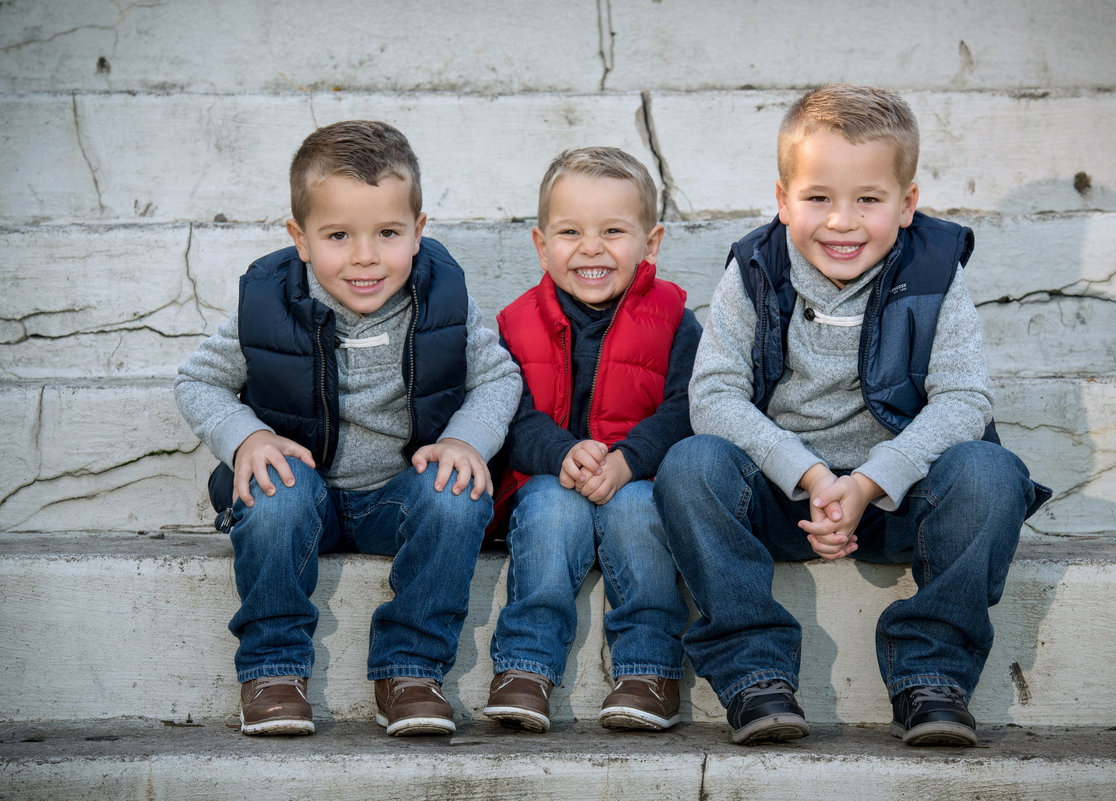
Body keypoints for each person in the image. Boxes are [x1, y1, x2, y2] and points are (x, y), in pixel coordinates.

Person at [653, 85, 1051, 746]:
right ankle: (756, 673)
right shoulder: (754, 271)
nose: (842, 222)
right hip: (783, 499)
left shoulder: (933, 272)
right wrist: (810, 476)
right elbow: (713, 397)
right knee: (690, 464)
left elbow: (964, 399)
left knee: (990, 470)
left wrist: (868, 482)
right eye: (817, 198)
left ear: (907, 204)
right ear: (782, 200)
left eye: (868, 199)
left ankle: (932, 675)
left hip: (900, 501)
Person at [175, 120, 521, 737]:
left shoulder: (443, 300)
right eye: (338, 235)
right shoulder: (268, 303)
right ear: (300, 239)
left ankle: (411, 668)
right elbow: (198, 381)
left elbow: (498, 379)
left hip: (398, 495)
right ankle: (274, 668)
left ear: (419, 230)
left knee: (458, 492)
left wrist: (465, 441)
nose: (366, 256)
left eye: (388, 233)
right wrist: (247, 439)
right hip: (302, 489)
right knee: (271, 493)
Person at [482, 147, 701, 733]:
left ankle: (649, 669)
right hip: (550, 478)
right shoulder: (513, 324)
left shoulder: (675, 318)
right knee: (551, 510)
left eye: (613, 231)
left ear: (651, 242)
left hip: (639, 478)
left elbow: (690, 409)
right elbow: (510, 415)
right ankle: (526, 667)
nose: (591, 248)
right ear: (540, 242)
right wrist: (559, 453)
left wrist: (632, 459)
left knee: (637, 512)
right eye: (570, 231)